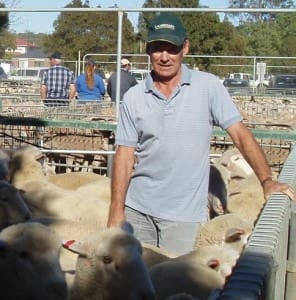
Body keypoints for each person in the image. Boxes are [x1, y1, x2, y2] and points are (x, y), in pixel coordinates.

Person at [107, 13, 295, 255]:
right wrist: (116, 209)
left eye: (171, 49)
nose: (164, 57)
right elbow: (124, 153)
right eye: (157, 48)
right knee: (136, 286)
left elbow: (239, 133)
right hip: (137, 209)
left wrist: (267, 181)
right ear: (148, 50)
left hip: (183, 215)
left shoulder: (208, 87)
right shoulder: (134, 97)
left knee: (176, 283)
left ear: (185, 47)